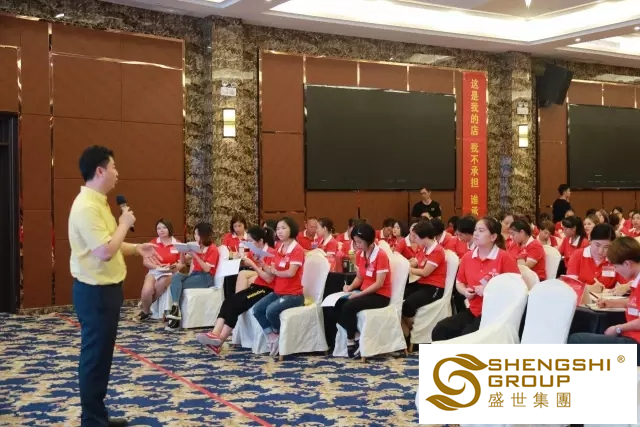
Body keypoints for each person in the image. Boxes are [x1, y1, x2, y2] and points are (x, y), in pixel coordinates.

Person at [69, 145, 158, 427]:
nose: (117, 173)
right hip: (95, 292)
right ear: (100, 171)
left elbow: (111, 243)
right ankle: (92, 421)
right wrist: (124, 223)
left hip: (105, 291)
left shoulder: (98, 202)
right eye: (114, 167)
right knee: (95, 358)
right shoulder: (86, 207)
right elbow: (104, 251)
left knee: (102, 357)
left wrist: (137, 249)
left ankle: (98, 416)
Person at [431, 216, 520, 341]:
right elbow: (459, 282)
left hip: (496, 314)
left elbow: (517, 289)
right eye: (475, 230)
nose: (476, 233)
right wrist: (465, 291)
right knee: (440, 329)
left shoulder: (504, 258)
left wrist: (489, 290)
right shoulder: (467, 257)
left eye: (481, 231)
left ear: (493, 237)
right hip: (474, 310)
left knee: (467, 335)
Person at [196, 226, 276, 355]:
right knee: (229, 300)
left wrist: (253, 265)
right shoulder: (255, 252)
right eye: (247, 241)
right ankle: (215, 333)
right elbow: (249, 265)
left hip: (266, 289)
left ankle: (219, 341)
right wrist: (241, 261)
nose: (248, 244)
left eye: (251, 241)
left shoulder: (271, 253)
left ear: (261, 241)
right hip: (257, 285)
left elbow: (268, 279)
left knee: (235, 305)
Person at [567, 236, 640, 363]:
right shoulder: (636, 282)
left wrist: (618, 328)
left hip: (635, 343)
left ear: (627, 264)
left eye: (616, 266)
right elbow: (635, 302)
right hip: (631, 337)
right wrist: (612, 303)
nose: (616, 270)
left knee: (576, 340)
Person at [331, 222, 392, 358]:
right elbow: (359, 277)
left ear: (369, 241)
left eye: (359, 242)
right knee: (335, 305)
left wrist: (359, 295)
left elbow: (379, 283)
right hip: (365, 292)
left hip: (380, 295)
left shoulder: (381, 255)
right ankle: (356, 335)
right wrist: (350, 288)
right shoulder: (360, 254)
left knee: (349, 306)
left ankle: (351, 339)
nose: (357, 245)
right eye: (355, 242)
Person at [253, 217, 306, 358]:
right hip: (279, 292)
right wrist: (262, 263)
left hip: (294, 295)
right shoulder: (279, 248)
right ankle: (273, 336)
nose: (280, 231)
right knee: (257, 309)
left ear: (291, 229)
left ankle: (280, 334)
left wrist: (276, 272)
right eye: (277, 229)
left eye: (283, 228)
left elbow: (291, 273)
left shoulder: (297, 249)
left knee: (271, 310)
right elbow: (271, 271)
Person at [165, 223, 219, 331]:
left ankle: (175, 315)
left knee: (176, 286)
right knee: (176, 277)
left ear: (204, 235)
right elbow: (182, 262)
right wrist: (182, 251)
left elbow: (207, 269)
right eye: (194, 234)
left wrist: (195, 255)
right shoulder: (197, 246)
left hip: (206, 278)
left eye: (197, 234)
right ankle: (175, 308)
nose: (195, 236)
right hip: (195, 275)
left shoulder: (212, 249)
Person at [402, 220, 448, 340]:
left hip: (434, 287)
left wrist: (409, 270)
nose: (414, 239)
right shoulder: (424, 248)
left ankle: (413, 331)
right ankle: (407, 330)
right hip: (422, 283)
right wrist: (404, 264)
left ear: (424, 237)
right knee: (399, 295)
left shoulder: (437, 251)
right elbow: (415, 261)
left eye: (415, 236)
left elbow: (425, 272)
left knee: (409, 304)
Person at [137, 219, 184, 321]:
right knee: (147, 290)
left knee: (161, 283)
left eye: (164, 227)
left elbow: (181, 263)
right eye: (159, 228)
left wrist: (174, 267)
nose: (161, 230)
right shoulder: (152, 243)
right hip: (155, 271)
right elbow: (146, 262)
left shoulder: (178, 244)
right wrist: (158, 267)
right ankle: (146, 311)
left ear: (169, 229)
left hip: (171, 272)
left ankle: (145, 306)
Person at [566, 223, 627, 292]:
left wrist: (626, 287)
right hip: (582, 297)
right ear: (590, 239)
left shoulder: (615, 258)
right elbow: (570, 284)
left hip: (606, 297)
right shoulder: (578, 255)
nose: (600, 251)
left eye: (606, 247)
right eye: (597, 245)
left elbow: (630, 282)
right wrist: (588, 288)